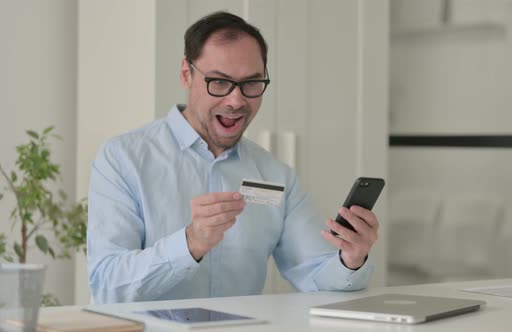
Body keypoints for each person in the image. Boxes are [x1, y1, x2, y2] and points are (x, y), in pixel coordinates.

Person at [87, 11, 380, 304]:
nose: (237, 101)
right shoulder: (123, 159)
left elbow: (317, 274)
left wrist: (350, 260)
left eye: (251, 84)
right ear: (186, 74)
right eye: (219, 82)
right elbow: (107, 285)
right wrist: (189, 244)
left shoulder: (276, 175)